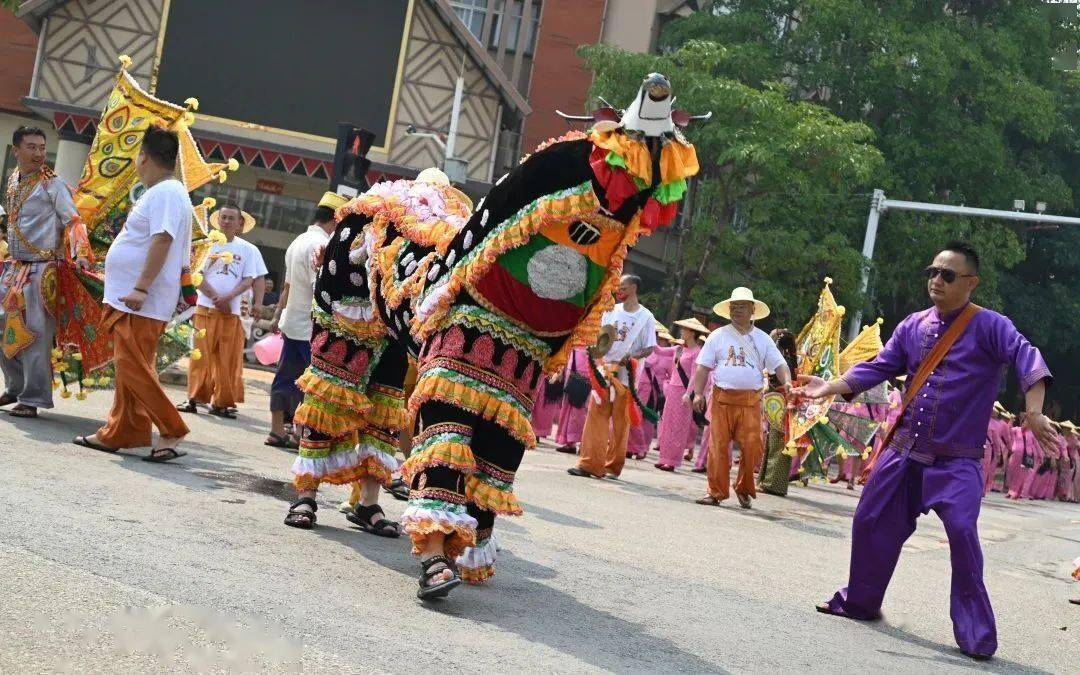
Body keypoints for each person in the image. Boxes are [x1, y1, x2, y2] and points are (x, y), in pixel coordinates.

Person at [796, 241, 1056, 660]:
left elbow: (1028, 357)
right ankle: (860, 601)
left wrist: (1035, 411)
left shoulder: (991, 326)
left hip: (956, 461)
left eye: (948, 275)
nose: (936, 280)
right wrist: (831, 387)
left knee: (962, 532)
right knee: (869, 520)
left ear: (971, 282)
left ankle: (974, 633)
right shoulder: (913, 325)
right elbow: (878, 366)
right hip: (903, 451)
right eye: (932, 272)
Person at [72, 125, 192, 461]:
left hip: (141, 299)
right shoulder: (162, 192)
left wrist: (140, 286)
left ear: (143, 157)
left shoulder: (166, 192)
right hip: (134, 297)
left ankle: (172, 428)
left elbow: (163, 239)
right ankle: (120, 432)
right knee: (131, 369)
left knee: (132, 367)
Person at [0, 126, 90, 418]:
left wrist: (81, 254)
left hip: (42, 270)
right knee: (3, 328)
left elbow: (73, 220)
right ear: (17, 151)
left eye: (41, 147)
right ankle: (15, 387)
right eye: (31, 147)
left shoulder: (53, 184)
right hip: (14, 267)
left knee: (36, 335)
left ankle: (34, 397)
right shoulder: (14, 179)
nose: (39, 153)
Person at [686, 288, 791, 509]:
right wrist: (697, 393)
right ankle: (715, 492)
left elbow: (780, 365)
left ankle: (743, 488)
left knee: (754, 446)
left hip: (751, 401)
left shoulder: (763, 339)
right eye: (733, 307)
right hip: (722, 399)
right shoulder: (718, 335)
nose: (737, 311)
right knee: (718, 447)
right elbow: (703, 367)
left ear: (753, 310)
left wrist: (787, 382)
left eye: (742, 307)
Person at [264, 192, 345, 448]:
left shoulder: (298, 241)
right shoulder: (320, 245)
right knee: (313, 384)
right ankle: (302, 434)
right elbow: (318, 290)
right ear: (335, 220)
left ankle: (277, 430)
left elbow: (287, 287)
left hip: (292, 324)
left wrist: (277, 316)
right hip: (310, 329)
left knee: (286, 377)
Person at [177, 204, 267, 418]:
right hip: (205, 308)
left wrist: (243, 301)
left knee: (228, 358)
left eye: (230, 218)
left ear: (240, 223)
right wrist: (216, 297)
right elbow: (195, 274)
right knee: (200, 355)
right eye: (223, 217)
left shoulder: (248, 249)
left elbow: (251, 279)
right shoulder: (207, 245)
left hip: (233, 312)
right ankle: (194, 398)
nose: (226, 221)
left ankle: (222, 402)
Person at [568, 275, 657, 480]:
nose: (619, 291)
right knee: (595, 417)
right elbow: (599, 337)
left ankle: (612, 466)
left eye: (623, 287)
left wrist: (633, 356)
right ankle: (589, 464)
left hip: (626, 376)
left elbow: (650, 347)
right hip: (604, 371)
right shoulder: (611, 310)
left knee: (620, 422)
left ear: (634, 288)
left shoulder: (646, 317)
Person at [655, 318, 710, 470]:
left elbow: (694, 375)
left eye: (684, 329)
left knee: (679, 426)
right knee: (667, 423)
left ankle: (672, 461)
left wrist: (688, 393)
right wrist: (650, 335)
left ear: (692, 332)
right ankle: (664, 457)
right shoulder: (680, 349)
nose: (681, 331)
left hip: (684, 391)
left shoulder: (697, 352)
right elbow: (659, 350)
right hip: (672, 389)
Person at [757, 328, 799, 495]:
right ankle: (773, 483)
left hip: (780, 405)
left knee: (777, 443)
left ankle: (771, 484)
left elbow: (777, 383)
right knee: (778, 442)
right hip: (781, 404)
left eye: (773, 339)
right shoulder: (790, 360)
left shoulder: (781, 361)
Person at [628, 324, 676, 459]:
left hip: (652, 391)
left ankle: (642, 448)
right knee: (632, 416)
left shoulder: (664, 355)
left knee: (646, 420)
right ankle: (630, 447)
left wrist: (664, 387)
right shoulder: (636, 349)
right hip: (636, 386)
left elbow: (672, 376)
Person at [554, 345, 591, 454]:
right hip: (573, 369)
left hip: (585, 371)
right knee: (568, 408)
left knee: (580, 411)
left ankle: (583, 444)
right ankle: (570, 443)